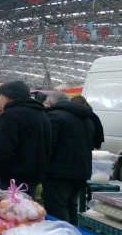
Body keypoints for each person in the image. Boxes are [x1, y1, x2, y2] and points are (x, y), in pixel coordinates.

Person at [43, 91, 104, 224]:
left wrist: (41, 167)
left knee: (56, 207)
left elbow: (49, 145)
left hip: (59, 171)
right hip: (82, 170)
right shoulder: (87, 118)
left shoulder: (55, 116)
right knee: (71, 205)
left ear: (50, 103)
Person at [0, 81, 51, 198]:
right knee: (25, 212)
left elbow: (2, 147)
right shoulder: (41, 114)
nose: (1, 100)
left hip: (10, 179)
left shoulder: (11, 115)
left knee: (5, 211)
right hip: (32, 177)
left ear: (8, 97)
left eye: (1, 97)